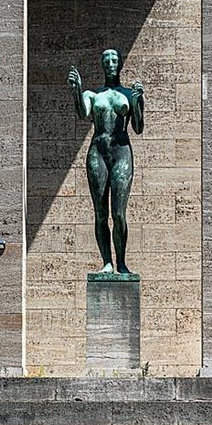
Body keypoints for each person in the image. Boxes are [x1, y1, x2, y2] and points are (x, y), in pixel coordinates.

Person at [67, 49, 144, 274]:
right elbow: (82, 113)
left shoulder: (129, 94)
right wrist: (77, 89)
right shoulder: (93, 95)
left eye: (114, 60)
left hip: (121, 152)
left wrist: (138, 104)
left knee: (118, 213)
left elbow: (138, 128)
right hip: (97, 153)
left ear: (120, 64)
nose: (110, 63)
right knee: (101, 213)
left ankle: (121, 262)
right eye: (106, 60)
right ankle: (107, 262)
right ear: (102, 65)